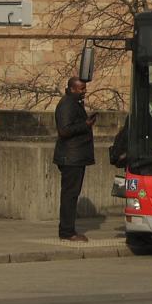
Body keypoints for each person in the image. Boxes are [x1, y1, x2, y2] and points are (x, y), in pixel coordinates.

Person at [52, 77, 96, 242]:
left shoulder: (74, 103)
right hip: (70, 157)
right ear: (72, 89)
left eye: (84, 89)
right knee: (69, 195)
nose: (84, 91)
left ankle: (67, 230)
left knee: (71, 194)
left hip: (75, 157)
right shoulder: (67, 104)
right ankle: (67, 231)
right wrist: (85, 125)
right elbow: (64, 130)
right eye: (81, 89)